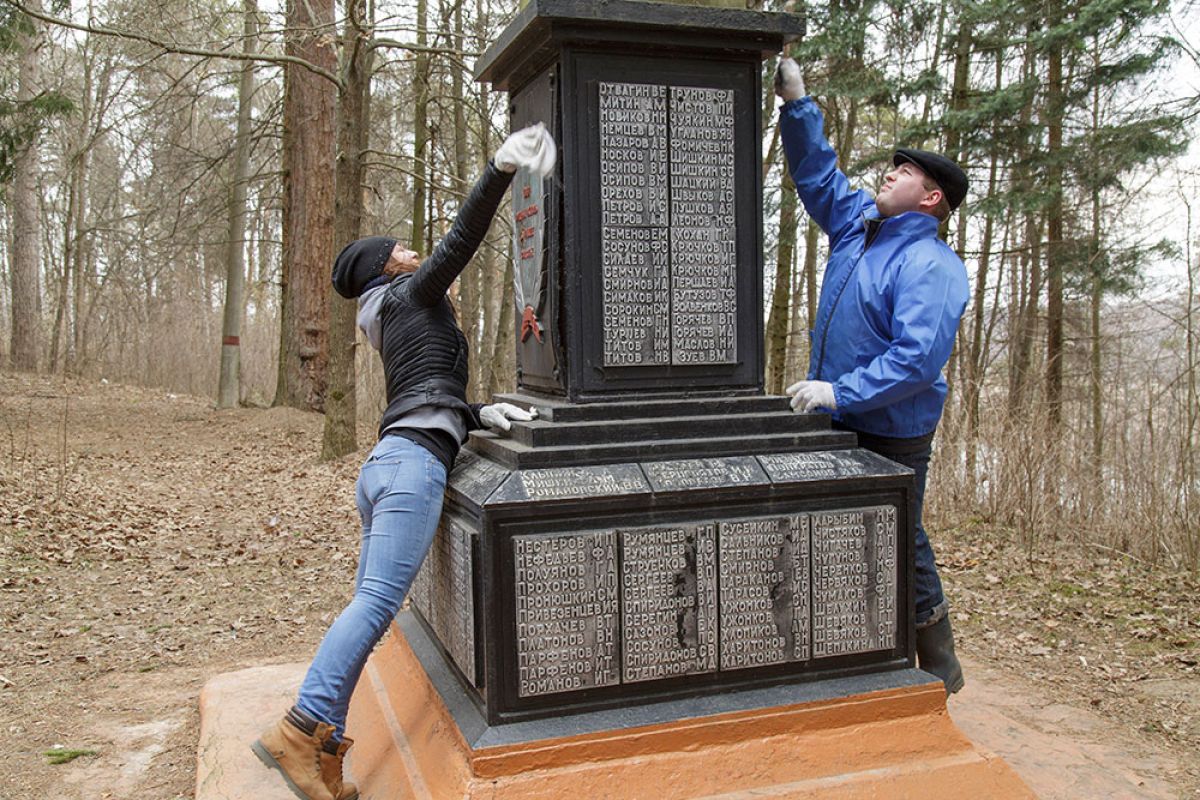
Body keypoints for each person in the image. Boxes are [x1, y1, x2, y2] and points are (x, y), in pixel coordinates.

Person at [252, 123, 556, 800]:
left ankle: (322, 746)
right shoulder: (410, 295)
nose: (415, 253)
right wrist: (500, 169)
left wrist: (477, 414)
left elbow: (425, 386)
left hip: (391, 463)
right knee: (373, 606)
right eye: (400, 251)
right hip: (412, 467)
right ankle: (298, 731)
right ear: (385, 270)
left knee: (369, 608)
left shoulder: (396, 314)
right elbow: (461, 241)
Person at [774, 58, 970, 696]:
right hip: (835, 419)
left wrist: (842, 389)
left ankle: (938, 667)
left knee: (900, 541)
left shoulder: (932, 264)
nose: (890, 173)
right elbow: (817, 174)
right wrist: (797, 104)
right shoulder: (857, 227)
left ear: (931, 197)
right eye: (893, 166)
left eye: (905, 172)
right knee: (836, 535)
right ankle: (848, 651)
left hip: (891, 431)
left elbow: (916, 360)